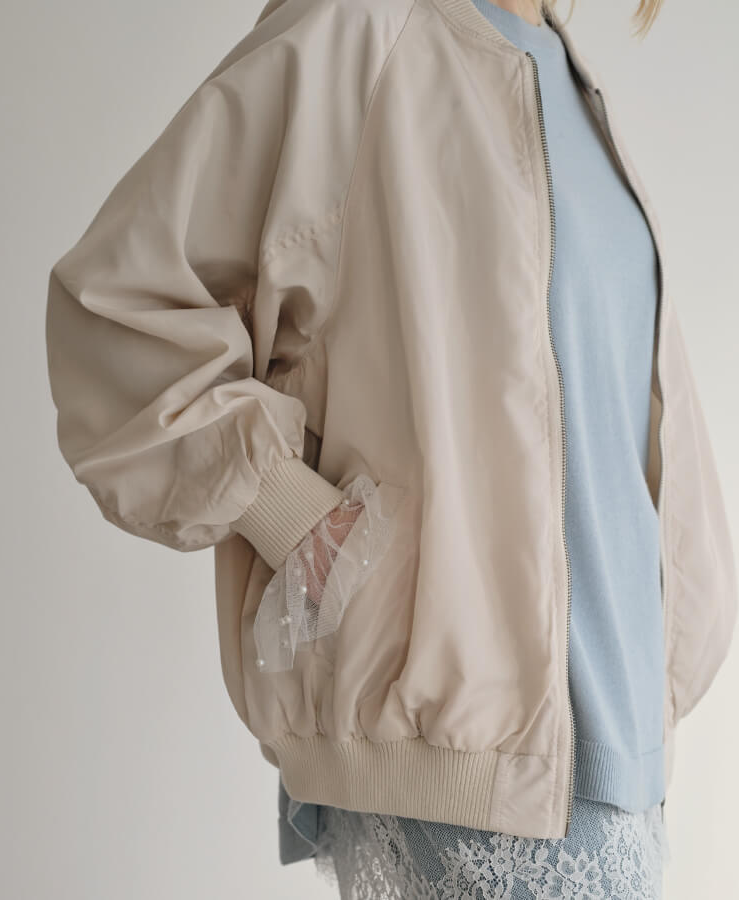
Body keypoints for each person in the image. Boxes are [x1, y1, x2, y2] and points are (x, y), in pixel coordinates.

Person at [45, 0, 737, 896]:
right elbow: (118, 308)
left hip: (619, 760)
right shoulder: (359, 32)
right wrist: (299, 523)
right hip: (457, 751)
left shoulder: (566, 72)